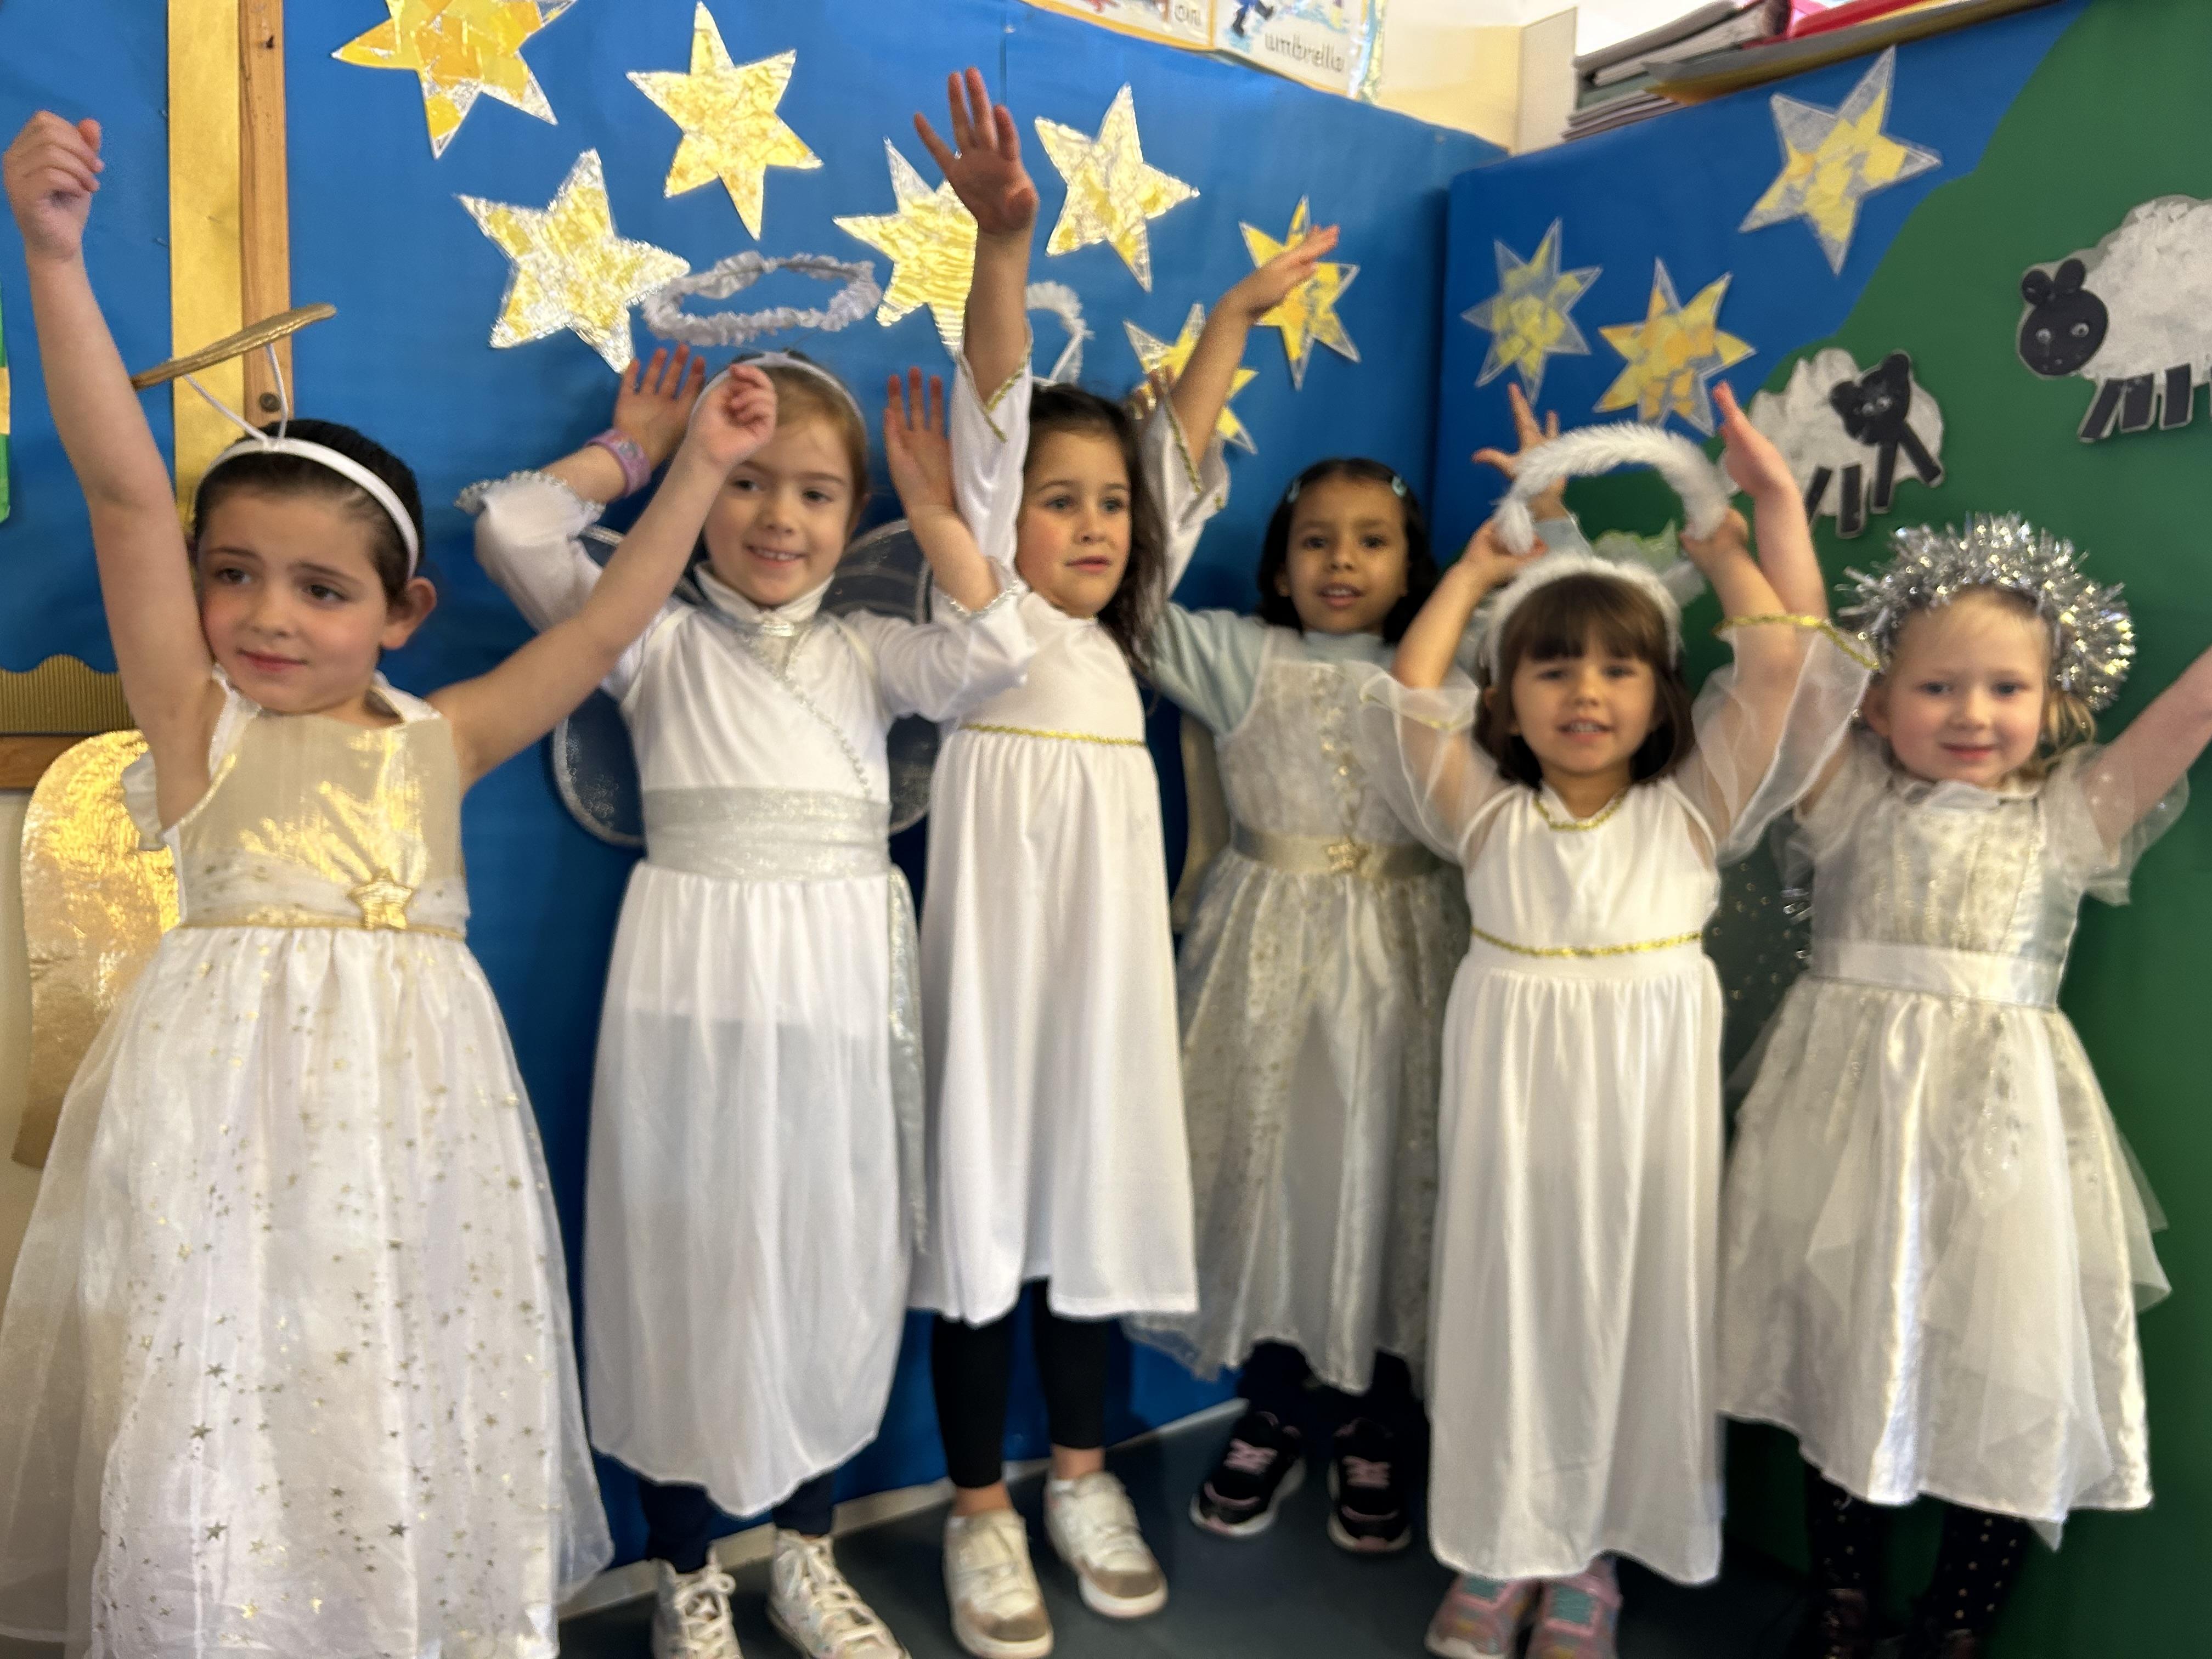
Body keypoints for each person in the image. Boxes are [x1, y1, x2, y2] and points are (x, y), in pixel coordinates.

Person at [0, 109, 771, 1656]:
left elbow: (607, 621)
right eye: (235, 576)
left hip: (412, 1136)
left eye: (320, 587)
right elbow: (126, 493)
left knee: (388, 1377)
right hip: (221, 1129)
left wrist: (699, 466)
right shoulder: (197, 725)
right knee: (221, 1380)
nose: (266, 616)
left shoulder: (444, 736)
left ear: (402, 612)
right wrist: (54, 257)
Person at [469, 338, 1031, 1659]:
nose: (779, 516)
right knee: (687, 1262)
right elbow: (513, 528)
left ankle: (805, 1555)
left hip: (836, 997)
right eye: (749, 482)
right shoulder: (649, 640)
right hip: (691, 994)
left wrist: (934, 510)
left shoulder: (871, 652)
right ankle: (687, 1573)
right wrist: (643, 458)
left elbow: (1002, 648)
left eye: (816, 492)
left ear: (854, 513)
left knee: (830, 1253)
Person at [1362, 387, 1870, 1659]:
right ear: (1507, 695)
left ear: (1659, 694)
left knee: (1624, 1305)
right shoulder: (1485, 814)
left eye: (1618, 667)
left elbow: (1780, 665)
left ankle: (1590, 1555)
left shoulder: (1692, 812)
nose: (1584, 692)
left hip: (1643, 1110)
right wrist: (1483, 566)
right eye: (1551, 666)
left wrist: (1722, 534)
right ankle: (1501, 1544)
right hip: (1512, 1099)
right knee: (1510, 1297)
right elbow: (1410, 687)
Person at [1718, 513, 2207, 1659]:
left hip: (1995, 1139)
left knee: (2007, 1363)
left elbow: (2191, 713)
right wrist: (1742, 533)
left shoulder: (2069, 819)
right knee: (1839, 1345)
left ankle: (1958, 1620)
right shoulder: (1845, 800)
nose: (1972, 713)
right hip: (1842, 1132)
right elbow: (1797, 657)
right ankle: (1842, 1595)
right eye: (1936, 686)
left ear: (2054, 700)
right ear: (1878, 704)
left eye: (2006, 688)